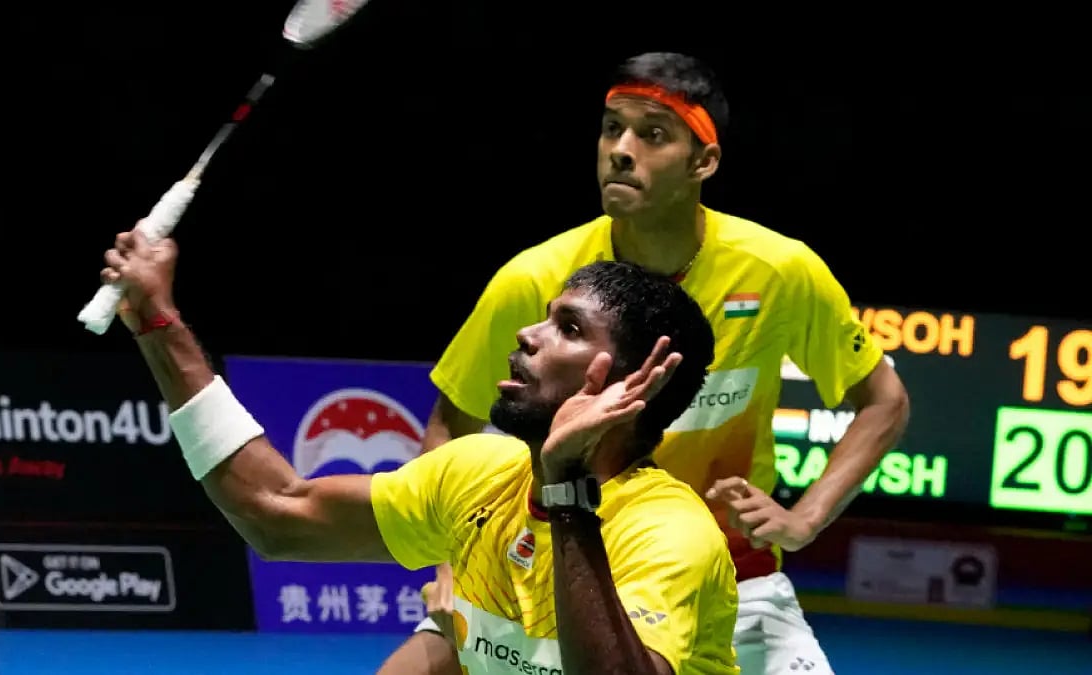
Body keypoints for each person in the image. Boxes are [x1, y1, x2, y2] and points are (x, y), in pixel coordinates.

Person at [386, 51, 911, 675]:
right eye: (612, 129)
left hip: (731, 579)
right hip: (543, 569)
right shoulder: (537, 278)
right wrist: (449, 565)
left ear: (704, 161)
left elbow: (884, 401)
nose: (620, 149)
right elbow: (452, 422)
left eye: (652, 134)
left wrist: (805, 518)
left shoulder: (778, 271)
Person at [99, 232, 741, 675]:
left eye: (568, 329)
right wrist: (159, 323)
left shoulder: (667, 532)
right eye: (546, 317)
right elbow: (277, 512)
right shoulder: (481, 472)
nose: (527, 333)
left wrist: (566, 485)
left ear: (633, 383)